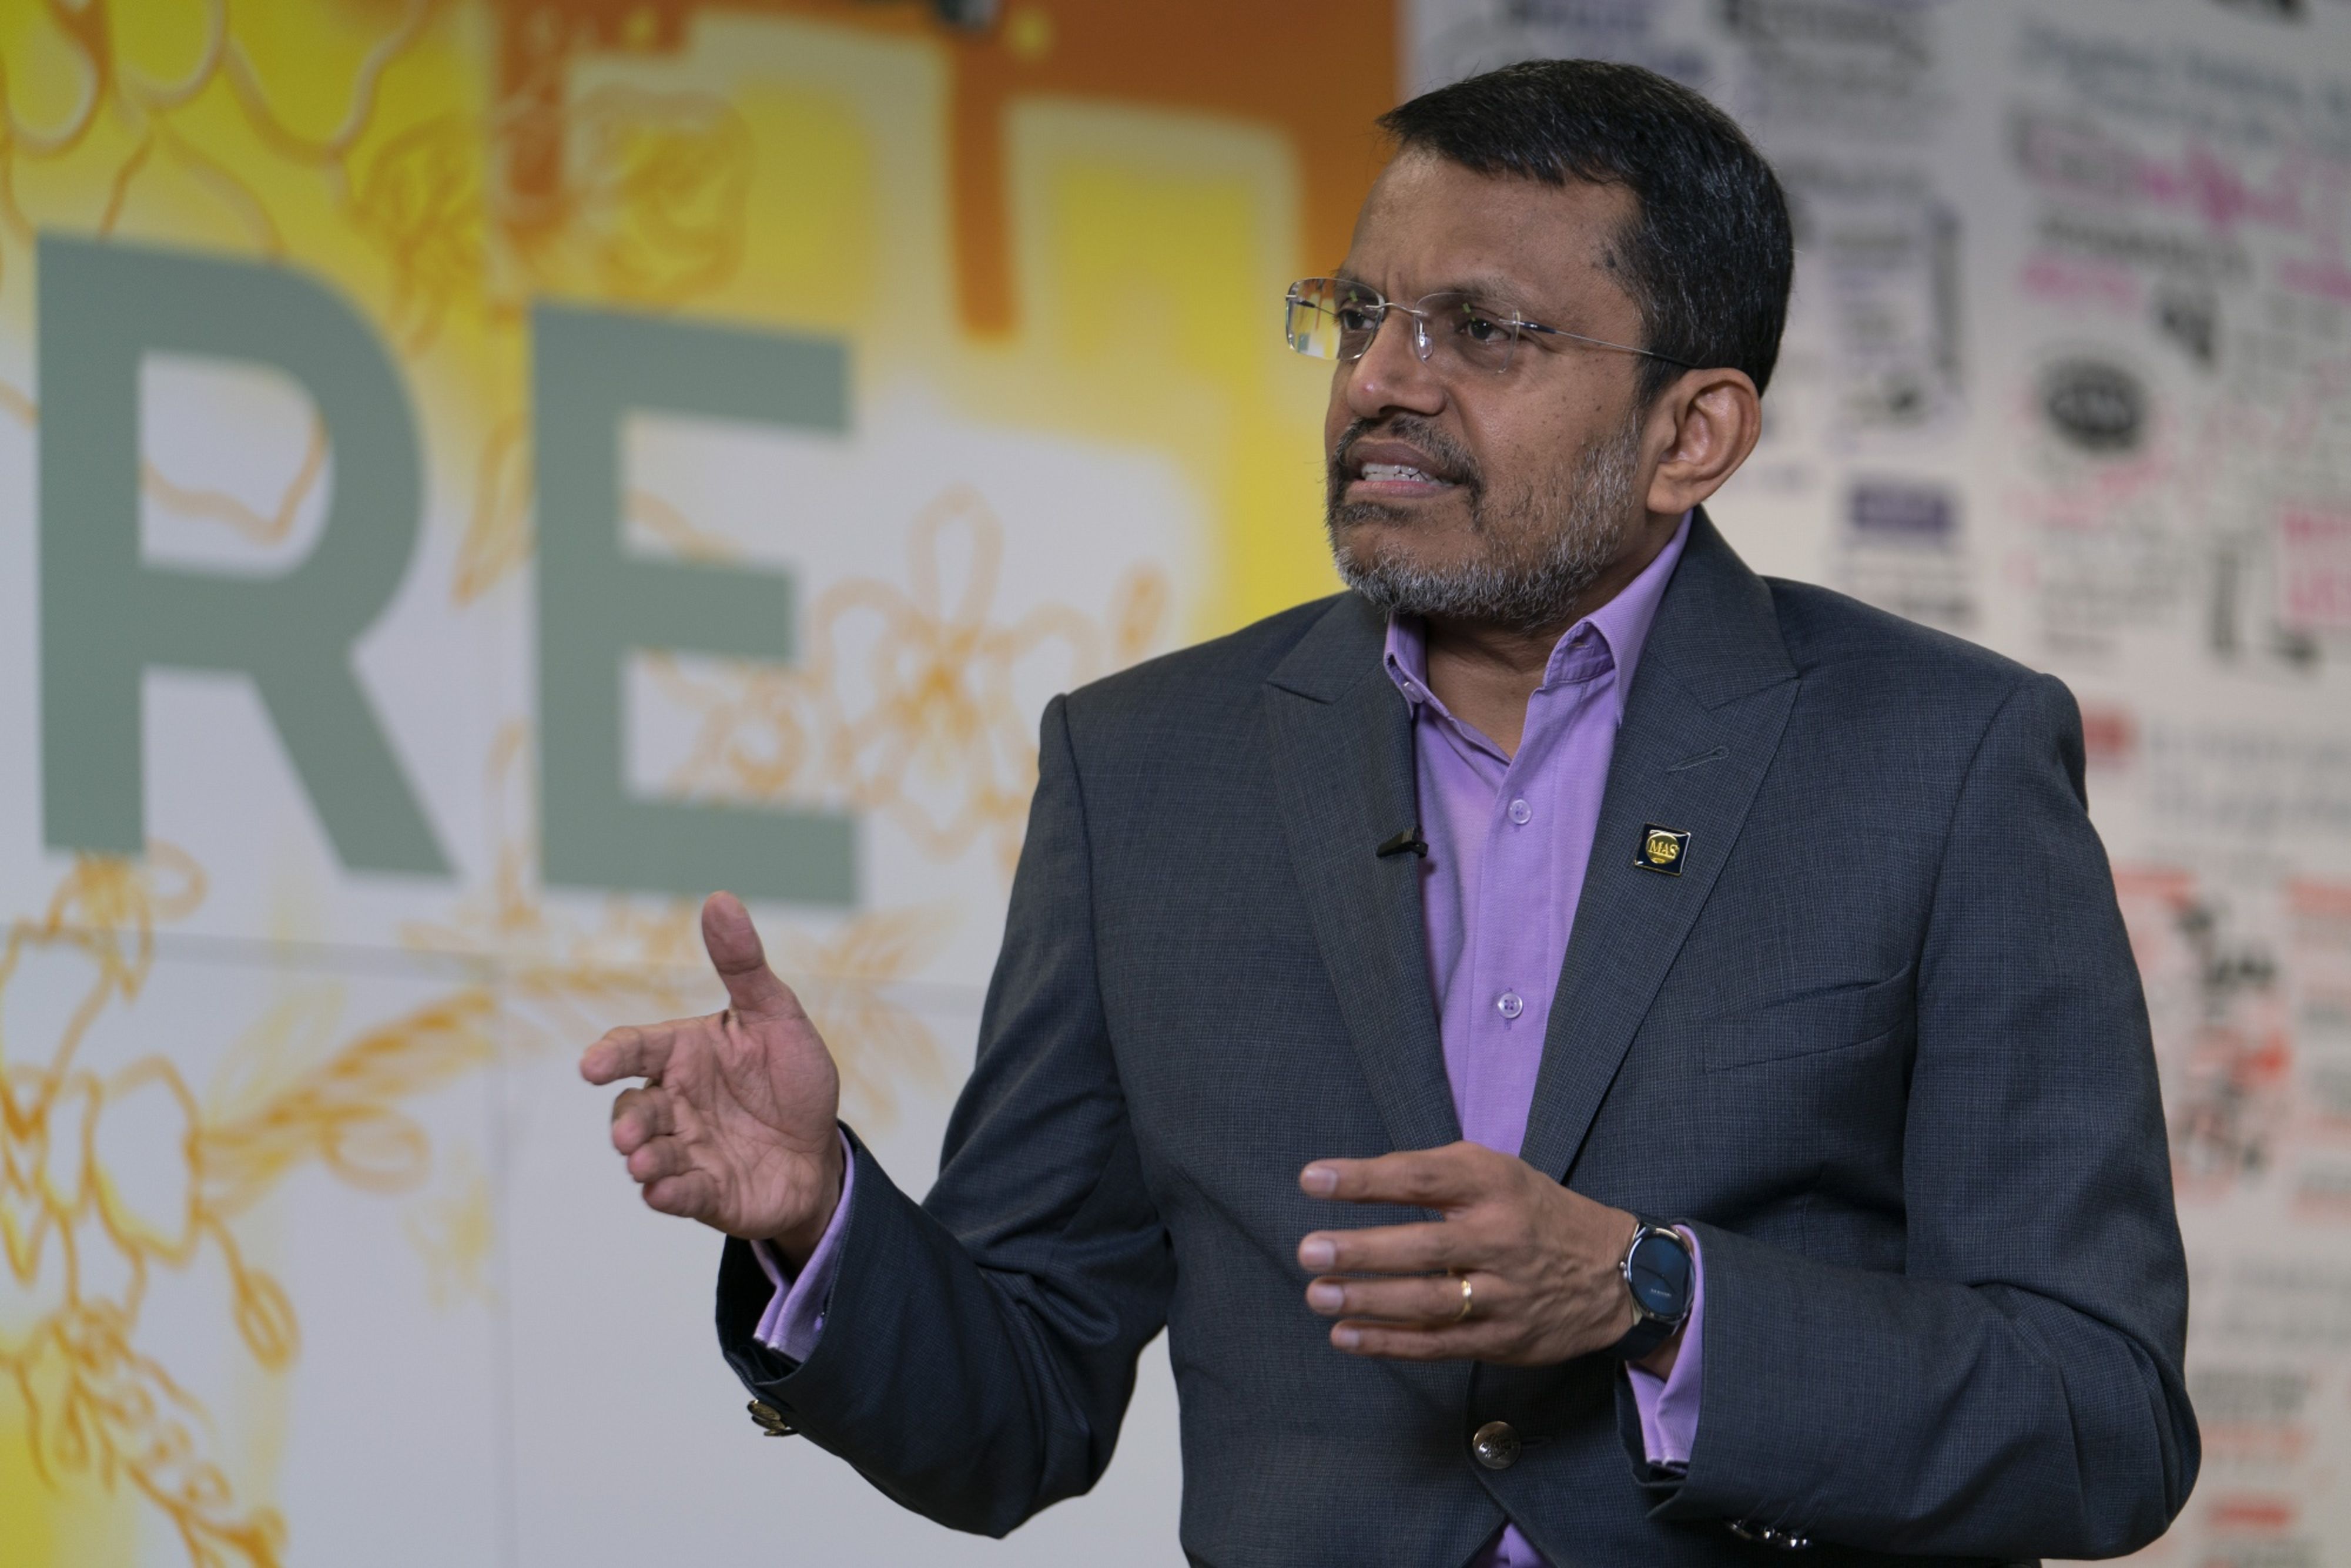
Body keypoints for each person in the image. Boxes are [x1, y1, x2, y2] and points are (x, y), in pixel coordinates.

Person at [581, 59, 2198, 1565]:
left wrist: (1652, 1297)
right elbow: (1016, 1412)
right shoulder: (1144, 768)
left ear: (1691, 435)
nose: (1380, 381)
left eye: (1482, 331)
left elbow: (2100, 1415)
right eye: (1361, 315)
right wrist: (822, 1217)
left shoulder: (1943, 758)